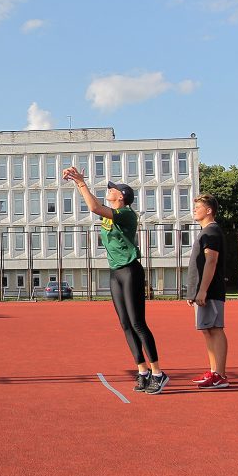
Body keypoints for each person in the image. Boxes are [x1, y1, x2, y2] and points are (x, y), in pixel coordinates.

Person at [63, 166, 169, 395]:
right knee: (125, 324)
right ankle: (142, 372)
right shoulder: (110, 214)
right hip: (115, 273)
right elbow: (97, 208)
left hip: (130, 271)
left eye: (112, 190)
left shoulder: (127, 214)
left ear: (121, 197)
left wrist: (80, 182)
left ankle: (159, 373)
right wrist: (76, 183)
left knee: (138, 323)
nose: (108, 191)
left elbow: (93, 207)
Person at [186, 194, 230, 389]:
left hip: (210, 291)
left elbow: (211, 261)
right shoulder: (205, 232)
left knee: (215, 329)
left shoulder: (211, 232)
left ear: (209, 210)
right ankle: (214, 371)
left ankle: (220, 374)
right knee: (207, 330)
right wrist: (193, 292)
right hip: (202, 291)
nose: (194, 210)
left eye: (198, 207)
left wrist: (203, 290)